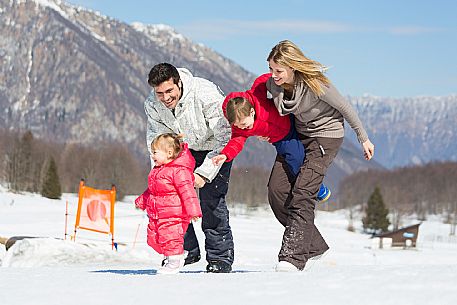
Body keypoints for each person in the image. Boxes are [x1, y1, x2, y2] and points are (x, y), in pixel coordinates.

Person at [266, 40, 375, 272]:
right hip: (299, 137)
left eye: (278, 70)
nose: (273, 75)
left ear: (292, 67)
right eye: (271, 69)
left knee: (303, 192)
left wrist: (363, 137)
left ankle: (292, 258)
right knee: (277, 191)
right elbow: (260, 106)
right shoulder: (274, 86)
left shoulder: (315, 84)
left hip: (326, 138)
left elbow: (345, 107)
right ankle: (313, 245)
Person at [144, 63, 234, 273]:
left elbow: (225, 136)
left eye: (169, 91)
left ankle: (220, 257)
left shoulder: (204, 93)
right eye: (160, 93)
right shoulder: (152, 104)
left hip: (216, 147)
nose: (165, 98)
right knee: (171, 199)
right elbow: (157, 141)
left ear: (179, 83)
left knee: (210, 200)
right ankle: (185, 249)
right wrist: (159, 176)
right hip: (182, 149)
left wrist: (204, 173)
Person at [211, 73, 331, 202]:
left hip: (291, 118)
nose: (241, 128)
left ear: (252, 112)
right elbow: (236, 142)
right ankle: (317, 188)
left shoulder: (257, 96)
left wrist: (281, 74)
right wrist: (225, 155)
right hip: (283, 139)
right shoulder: (239, 128)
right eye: (237, 125)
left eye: (244, 124)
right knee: (296, 161)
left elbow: (261, 81)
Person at [135, 133, 202, 274]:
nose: (152, 156)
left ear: (169, 153)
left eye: (155, 152)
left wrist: (194, 211)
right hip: (157, 214)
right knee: (153, 239)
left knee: (170, 238)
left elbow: (188, 192)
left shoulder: (179, 171)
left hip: (174, 215)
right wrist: (142, 201)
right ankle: (176, 254)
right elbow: (152, 190)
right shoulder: (157, 171)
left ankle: (174, 262)